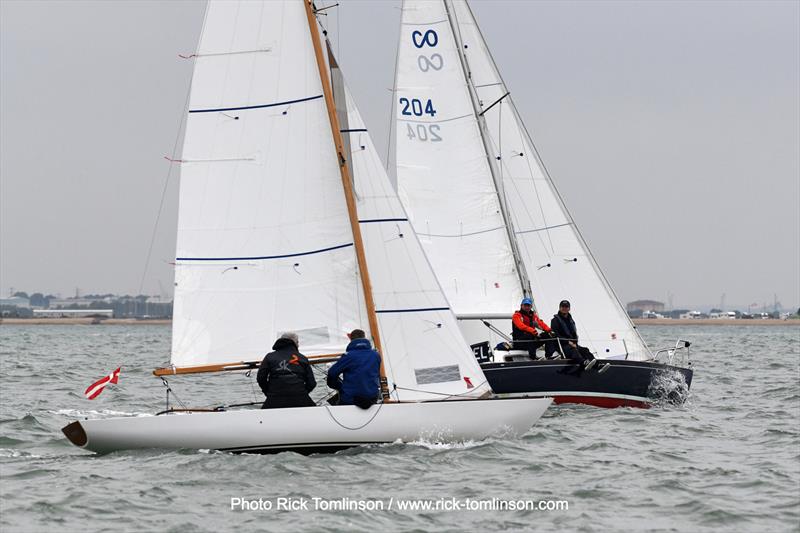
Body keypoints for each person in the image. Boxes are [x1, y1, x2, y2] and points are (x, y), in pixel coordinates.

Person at [256, 332, 316, 409]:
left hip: (274, 399)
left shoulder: (269, 357)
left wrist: (269, 393)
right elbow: (312, 383)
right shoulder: (302, 358)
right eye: (297, 342)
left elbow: (260, 378)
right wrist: (300, 393)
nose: (298, 345)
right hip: (300, 398)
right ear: (294, 343)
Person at [326, 329, 381, 409]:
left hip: (351, 399)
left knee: (340, 398)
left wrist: (339, 387)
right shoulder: (376, 355)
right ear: (364, 338)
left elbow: (332, 373)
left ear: (350, 339)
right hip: (372, 398)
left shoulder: (348, 356)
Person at [549, 300, 608, 372]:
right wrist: (568, 342)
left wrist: (574, 342)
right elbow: (555, 335)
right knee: (573, 351)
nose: (564, 308)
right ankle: (583, 363)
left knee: (585, 350)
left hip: (572, 344)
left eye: (566, 307)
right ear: (560, 308)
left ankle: (597, 366)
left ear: (569, 308)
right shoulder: (555, 320)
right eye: (562, 307)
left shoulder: (570, 320)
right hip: (562, 345)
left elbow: (574, 334)